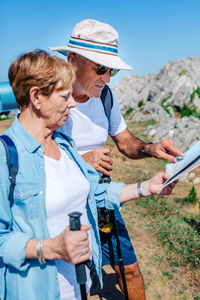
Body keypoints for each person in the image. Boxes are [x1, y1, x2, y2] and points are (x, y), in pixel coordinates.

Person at [0, 49, 176, 300]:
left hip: (77, 288)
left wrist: (147, 187)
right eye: (64, 96)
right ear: (37, 97)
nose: (72, 103)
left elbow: (96, 192)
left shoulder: (63, 144)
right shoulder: (6, 155)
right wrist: (51, 248)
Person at [49, 19, 184, 300]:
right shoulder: (49, 99)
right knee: (73, 281)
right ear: (72, 60)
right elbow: (33, 159)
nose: (108, 77)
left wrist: (150, 148)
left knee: (129, 269)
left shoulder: (105, 96)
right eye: (101, 68)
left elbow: (125, 141)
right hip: (65, 208)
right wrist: (80, 161)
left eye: (112, 70)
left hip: (101, 202)